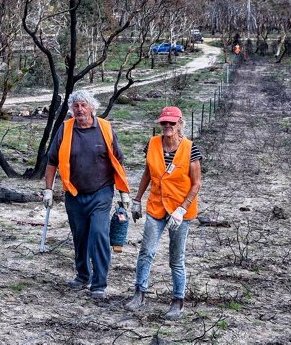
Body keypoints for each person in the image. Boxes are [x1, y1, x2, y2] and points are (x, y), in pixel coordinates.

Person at [42, 90, 131, 300]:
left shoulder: (105, 128)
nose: (79, 110)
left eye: (83, 105)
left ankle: (99, 283)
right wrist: (48, 190)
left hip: (101, 192)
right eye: (75, 106)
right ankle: (83, 276)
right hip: (73, 193)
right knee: (80, 236)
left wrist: (124, 193)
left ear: (92, 107)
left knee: (99, 234)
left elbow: (118, 161)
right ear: (71, 109)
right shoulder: (65, 129)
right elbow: (52, 161)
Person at [125, 106, 203, 319]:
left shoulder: (190, 148)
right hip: (157, 206)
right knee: (146, 251)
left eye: (172, 123)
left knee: (176, 258)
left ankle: (178, 301)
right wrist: (137, 199)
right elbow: (148, 173)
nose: (167, 126)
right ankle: (139, 294)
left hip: (180, 210)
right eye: (164, 123)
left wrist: (182, 208)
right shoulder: (152, 144)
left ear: (180, 124)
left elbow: (196, 184)